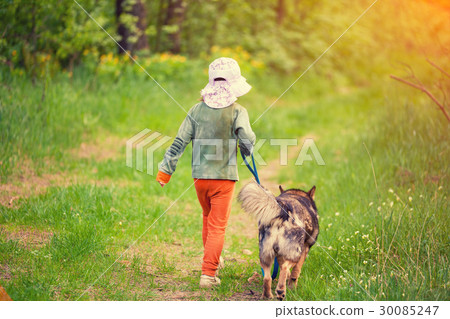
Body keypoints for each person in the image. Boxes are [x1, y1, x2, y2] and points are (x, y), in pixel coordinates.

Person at [156, 57, 256, 288]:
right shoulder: (238, 111)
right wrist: (245, 149)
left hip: (200, 179)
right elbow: (247, 138)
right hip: (224, 179)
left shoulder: (195, 110)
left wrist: (165, 172)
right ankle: (208, 274)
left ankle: (214, 257)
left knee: (207, 218)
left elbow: (179, 141)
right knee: (218, 225)